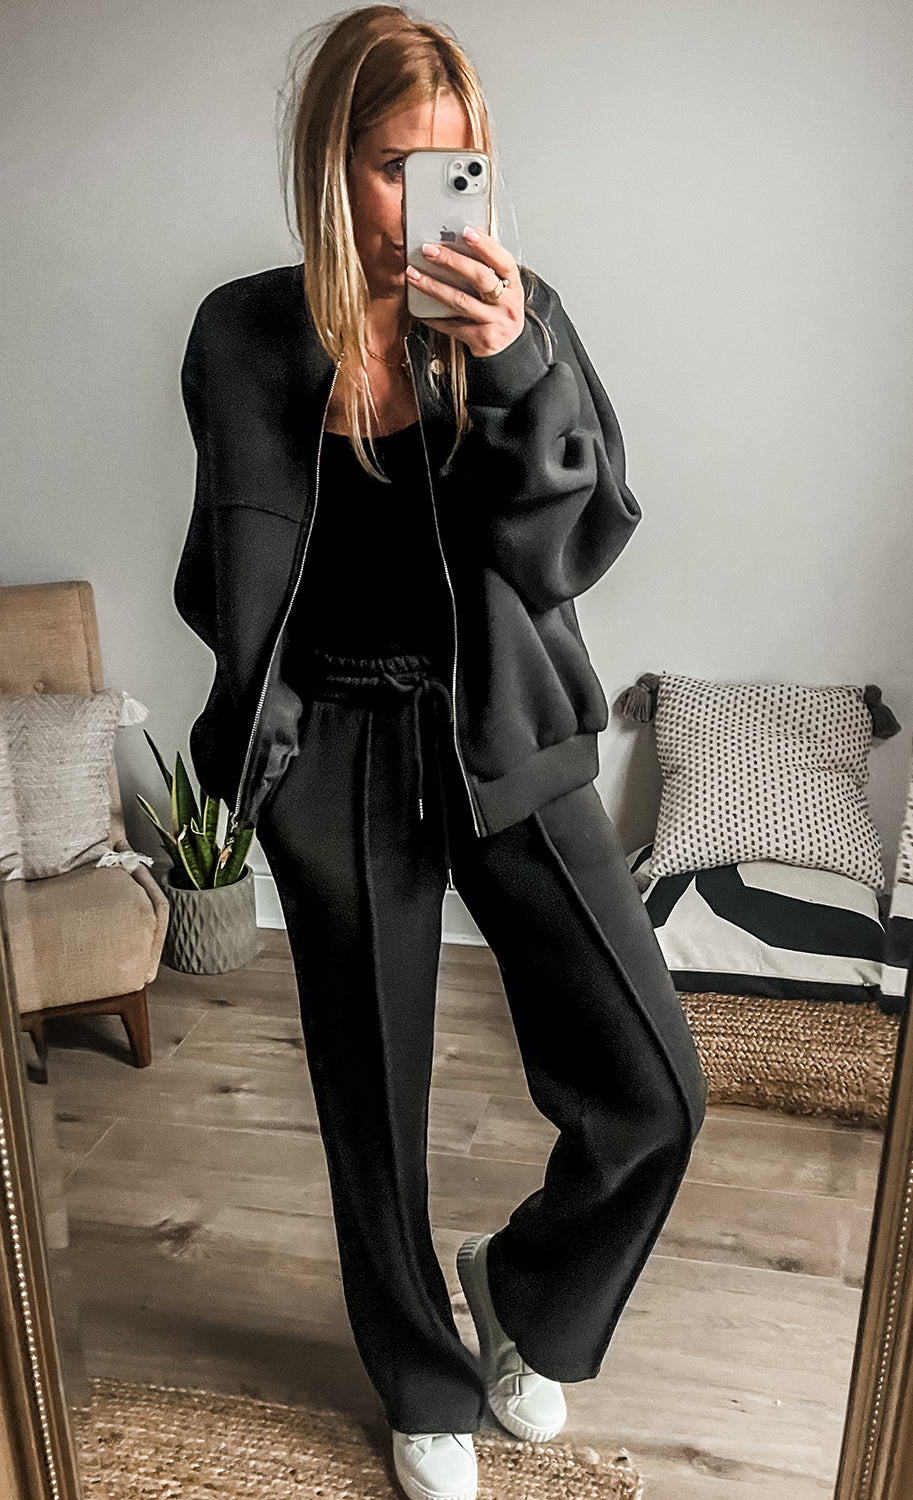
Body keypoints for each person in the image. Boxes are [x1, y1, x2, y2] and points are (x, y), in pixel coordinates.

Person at [173, 7, 709, 1498]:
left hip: (503, 732)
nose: (422, 199)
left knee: (655, 1085)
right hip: (335, 748)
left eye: (451, 165)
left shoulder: (518, 314)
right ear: (326, 163)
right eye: (389, 166)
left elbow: (569, 547)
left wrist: (515, 369)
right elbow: (232, 565)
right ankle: (420, 1376)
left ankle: (521, 1291)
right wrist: (273, 729)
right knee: (373, 1106)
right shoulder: (240, 334)